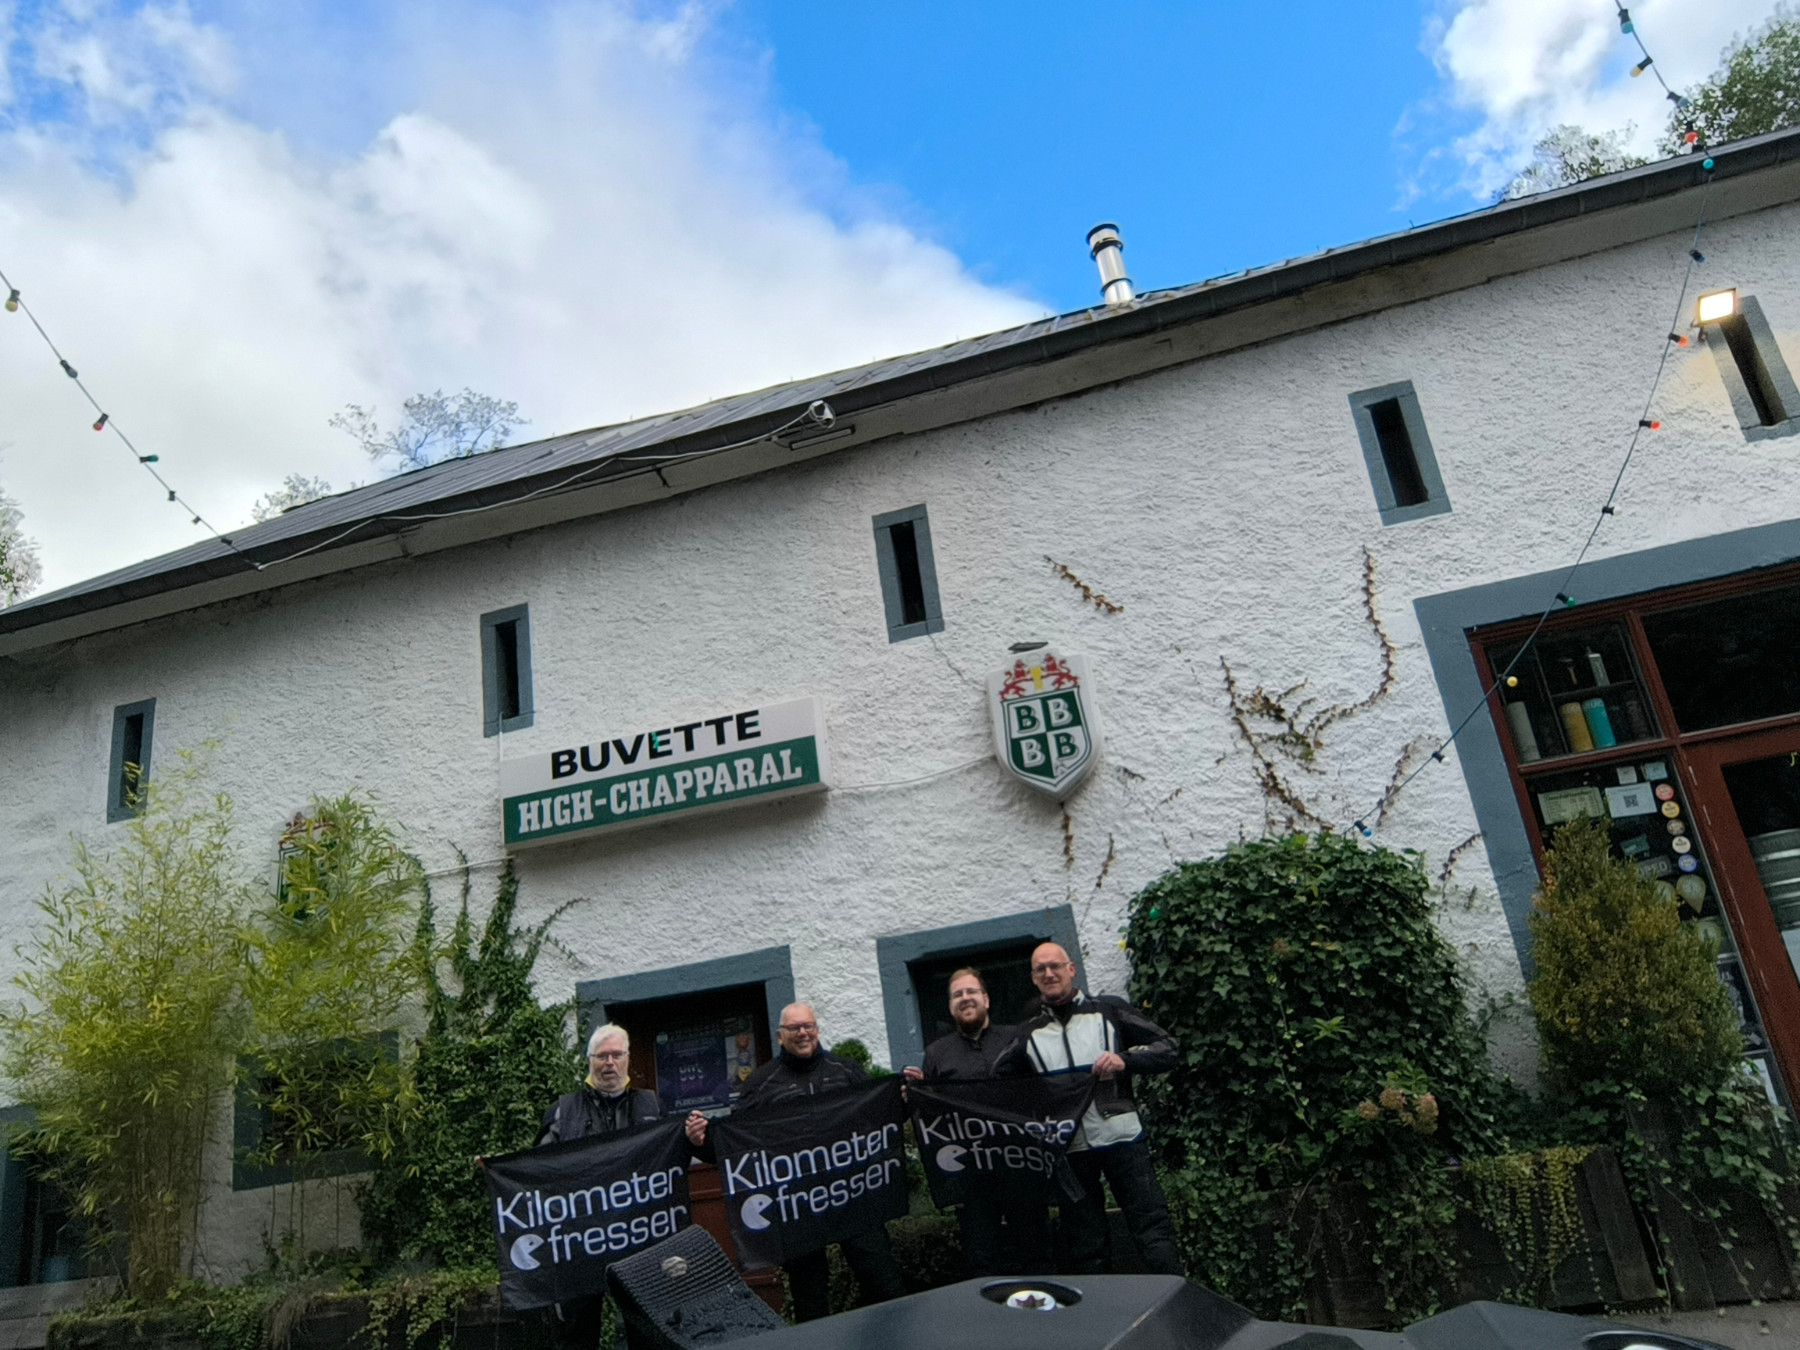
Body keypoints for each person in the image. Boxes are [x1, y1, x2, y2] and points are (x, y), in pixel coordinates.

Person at [689, 1002, 905, 1323]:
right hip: (797, 1205)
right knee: (810, 1299)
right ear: (780, 1036)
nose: (802, 1033)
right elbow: (737, 1144)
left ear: (817, 1030)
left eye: (808, 1026)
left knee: (883, 1280)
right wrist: (702, 1142)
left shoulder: (845, 1070)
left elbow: (880, 1119)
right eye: (794, 1028)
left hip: (853, 1195)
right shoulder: (761, 1084)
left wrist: (904, 1102)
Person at [1002, 943, 1183, 1276]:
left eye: (1055, 966)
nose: (1049, 974)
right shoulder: (1027, 1033)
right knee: (1086, 1246)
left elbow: (1169, 1048)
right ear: (1034, 978)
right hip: (1071, 1149)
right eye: (1041, 969)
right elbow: (992, 1085)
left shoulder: (1108, 1010)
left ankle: (1177, 1300)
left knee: (1153, 1230)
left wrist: (1125, 1060)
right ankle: (1100, 1310)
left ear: (1071, 969)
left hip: (1123, 1140)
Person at [532, 1025, 710, 1350]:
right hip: (581, 1243)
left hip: (639, 1240)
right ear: (589, 1061)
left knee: (648, 1331)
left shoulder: (652, 1107)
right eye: (602, 1056)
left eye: (616, 1055)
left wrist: (696, 1139)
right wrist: (499, 1168)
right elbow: (538, 1169)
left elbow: (677, 1159)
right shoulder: (563, 1112)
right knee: (576, 1337)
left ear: (628, 1059)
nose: (609, 1063)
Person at [903, 967, 1049, 1275]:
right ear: (950, 1006)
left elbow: (1041, 1092)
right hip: (971, 1179)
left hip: (1020, 1168)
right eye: (957, 994)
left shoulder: (1017, 1038)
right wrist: (917, 1093)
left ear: (986, 999)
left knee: (1037, 1254)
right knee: (981, 1260)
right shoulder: (937, 1053)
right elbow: (934, 1119)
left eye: (971, 991)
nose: (965, 998)